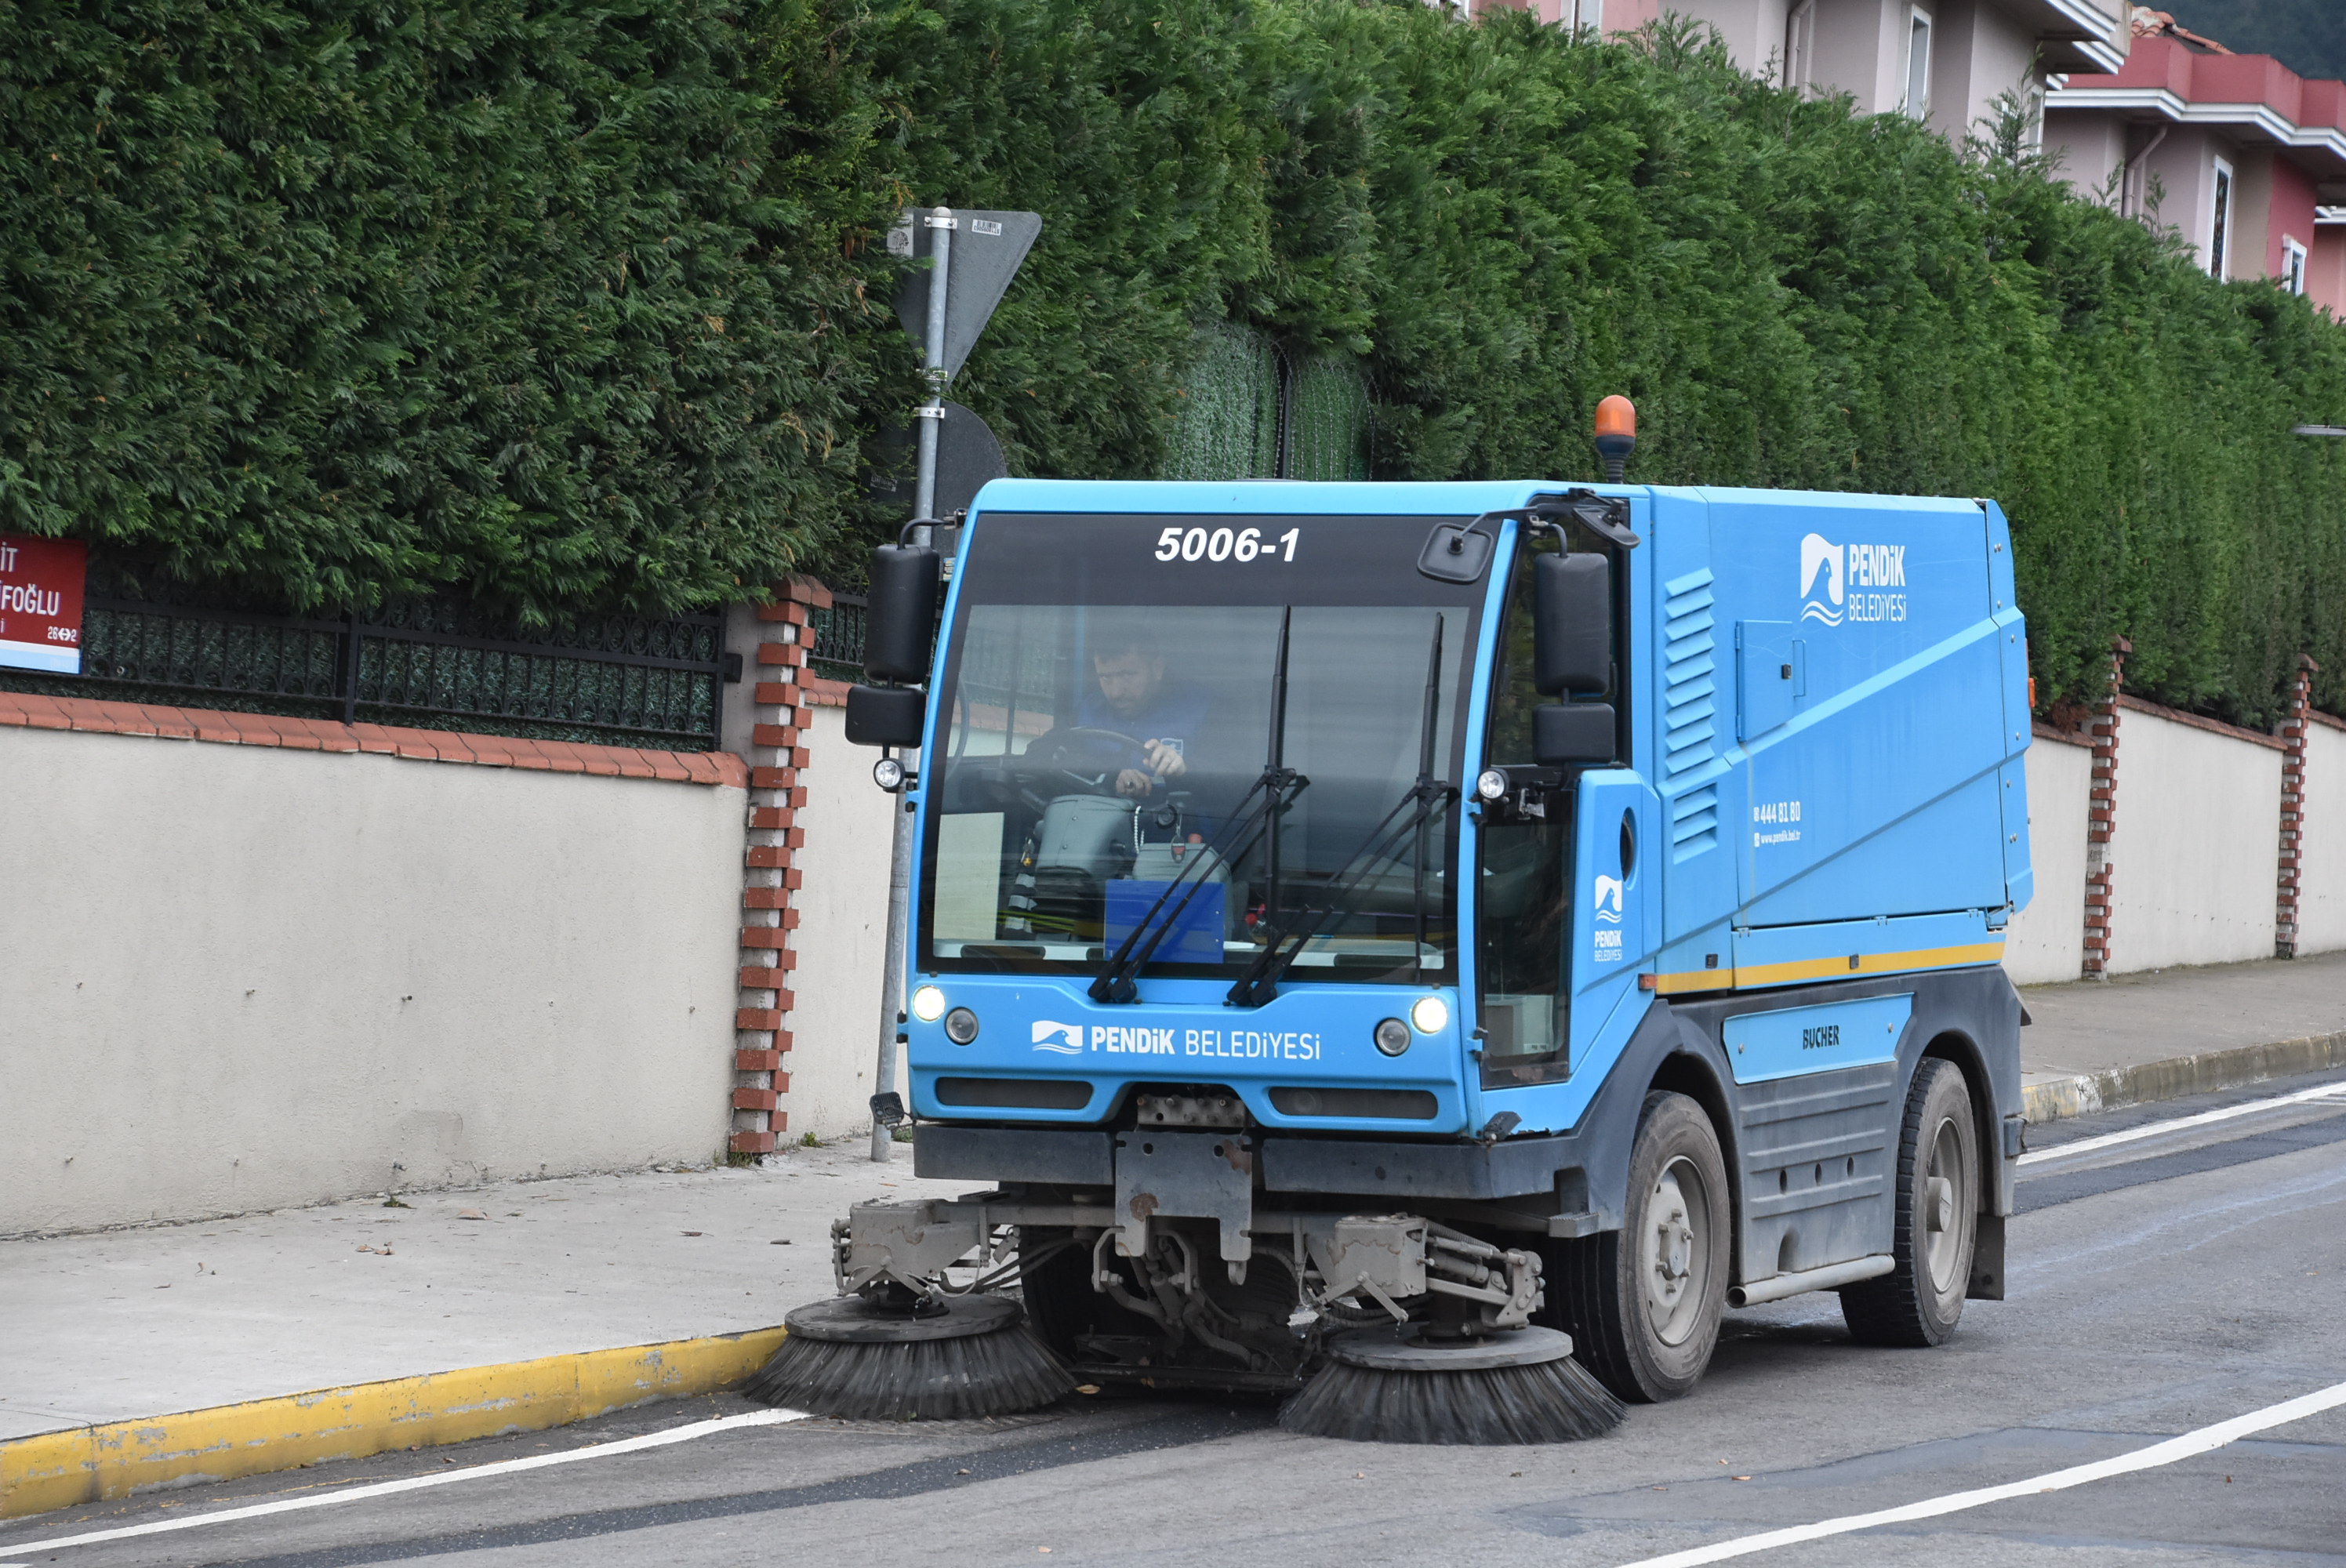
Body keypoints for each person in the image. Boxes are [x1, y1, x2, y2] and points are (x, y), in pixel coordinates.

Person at [1076, 632, 1213, 800]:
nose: (1116, 692)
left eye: (1127, 675)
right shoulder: (1088, 709)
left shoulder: (1202, 708)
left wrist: (1185, 770)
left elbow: (1234, 783)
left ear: (1157, 668)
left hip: (1178, 821)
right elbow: (1044, 753)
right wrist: (1112, 775)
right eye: (1105, 677)